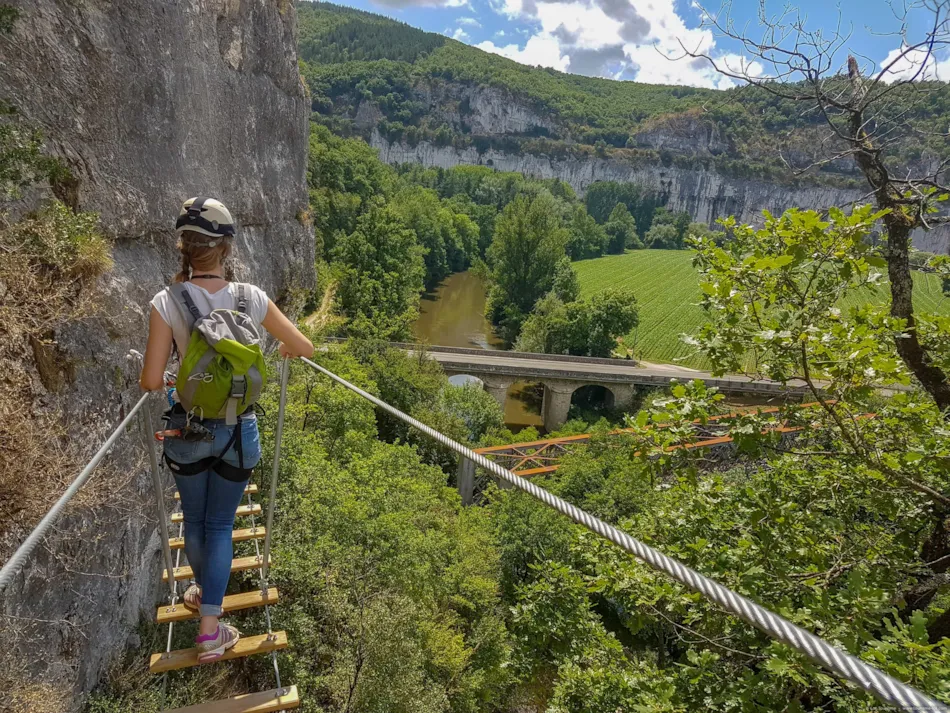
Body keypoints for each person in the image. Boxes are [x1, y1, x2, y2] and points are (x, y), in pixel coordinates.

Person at [139, 197, 313, 662]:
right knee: (220, 525)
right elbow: (304, 346)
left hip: (188, 432)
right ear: (227, 247)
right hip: (239, 433)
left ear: (183, 247)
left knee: (196, 521)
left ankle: (201, 597)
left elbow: (152, 381)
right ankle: (210, 631)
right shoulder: (250, 297)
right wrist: (282, 351)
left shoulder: (166, 301)